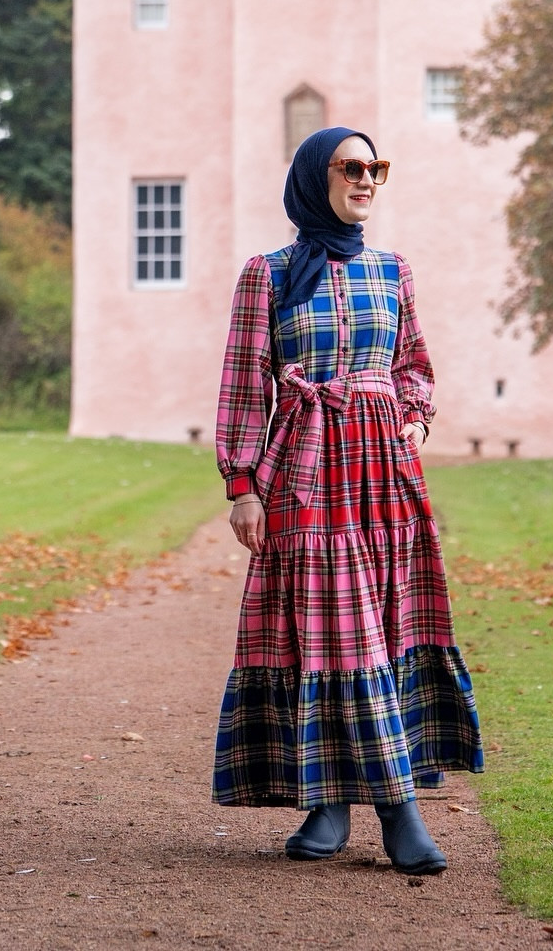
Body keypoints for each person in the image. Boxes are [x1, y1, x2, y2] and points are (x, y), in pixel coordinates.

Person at [212, 125, 483, 872]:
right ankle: (392, 811)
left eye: (376, 168)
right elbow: (244, 385)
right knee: (334, 631)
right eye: (351, 167)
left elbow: (413, 363)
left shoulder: (393, 271)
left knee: (384, 628)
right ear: (315, 177)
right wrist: (243, 487)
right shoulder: (266, 275)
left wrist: (412, 417)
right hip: (304, 467)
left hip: (385, 471)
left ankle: (334, 805)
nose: (366, 180)